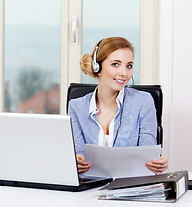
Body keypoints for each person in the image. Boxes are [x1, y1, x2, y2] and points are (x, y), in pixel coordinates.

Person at [68, 37, 168, 175]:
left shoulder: (144, 102)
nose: (124, 73)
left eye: (129, 66)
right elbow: (77, 154)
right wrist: (76, 161)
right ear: (98, 67)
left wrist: (155, 164)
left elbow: (147, 155)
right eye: (115, 64)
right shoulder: (76, 107)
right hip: (88, 188)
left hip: (129, 188)